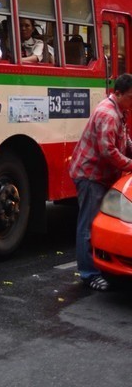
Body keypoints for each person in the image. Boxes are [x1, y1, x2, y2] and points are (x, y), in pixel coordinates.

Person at [69, 73, 132, 291]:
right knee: (87, 225)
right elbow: (108, 151)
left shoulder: (119, 110)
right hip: (90, 175)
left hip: (97, 175)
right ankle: (89, 274)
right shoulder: (109, 114)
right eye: (131, 97)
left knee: (96, 223)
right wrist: (130, 164)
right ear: (119, 93)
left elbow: (122, 140)